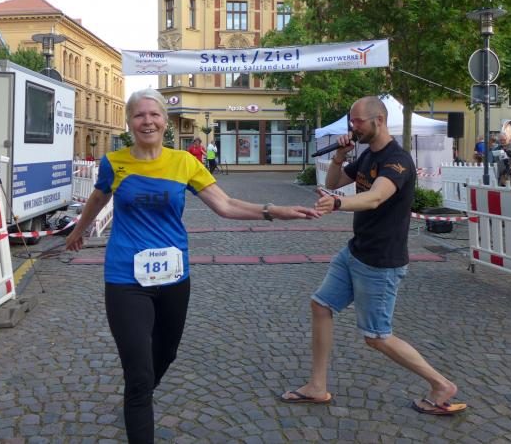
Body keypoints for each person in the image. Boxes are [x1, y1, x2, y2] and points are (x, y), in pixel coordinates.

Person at [64, 89, 320, 444]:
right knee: (138, 373)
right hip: (125, 277)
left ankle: (139, 395)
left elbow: (226, 205)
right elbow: (97, 196)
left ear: (164, 121)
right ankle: (138, 397)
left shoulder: (184, 162)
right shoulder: (113, 163)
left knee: (165, 354)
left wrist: (274, 211)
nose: (147, 121)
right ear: (130, 122)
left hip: (173, 278)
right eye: (139, 115)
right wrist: (78, 230)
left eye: (154, 114)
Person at [281, 96, 466, 416]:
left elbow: (376, 197)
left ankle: (441, 385)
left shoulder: (397, 161)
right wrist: (340, 156)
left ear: (378, 120)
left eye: (357, 122)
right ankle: (317, 386)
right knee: (321, 306)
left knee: (377, 337)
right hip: (356, 250)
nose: (352, 127)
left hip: (380, 261)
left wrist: (337, 204)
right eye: (351, 122)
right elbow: (334, 182)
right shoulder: (367, 155)